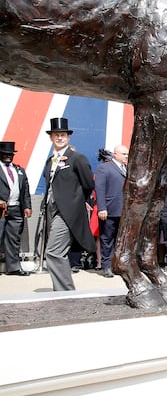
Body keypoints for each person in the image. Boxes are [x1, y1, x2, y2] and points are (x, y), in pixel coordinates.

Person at [41, 118, 95, 291]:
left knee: (53, 251)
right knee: (58, 251)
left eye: (62, 135)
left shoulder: (77, 158)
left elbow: (88, 184)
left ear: (68, 137)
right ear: (51, 138)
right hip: (52, 209)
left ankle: (65, 292)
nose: (59, 138)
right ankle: (63, 290)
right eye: (56, 135)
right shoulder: (50, 161)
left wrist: (78, 202)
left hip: (68, 212)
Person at [94, 144, 128, 278]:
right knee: (107, 238)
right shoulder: (104, 168)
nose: (126, 156)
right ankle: (106, 266)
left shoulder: (126, 169)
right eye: (123, 154)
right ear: (116, 154)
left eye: (126, 154)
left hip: (123, 210)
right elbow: (100, 189)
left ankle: (117, 265)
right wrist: (102, 208)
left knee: (120, 239)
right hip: (109, 209)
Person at [0, 141, 32, 276]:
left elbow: (25, 190)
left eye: (10, 154)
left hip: (16, 209)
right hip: (1, 210)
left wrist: (27, 206)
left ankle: (13, 268)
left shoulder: (19, 170)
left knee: (14, 240)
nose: (8, 156)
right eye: (5, 154)